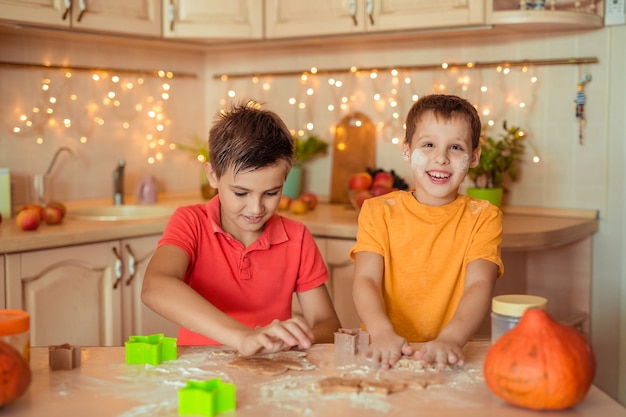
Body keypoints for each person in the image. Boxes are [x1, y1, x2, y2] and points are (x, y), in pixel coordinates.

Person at [142, 100, 340, 356]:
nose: (256, 208)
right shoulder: (191, 222)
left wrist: (294, 338)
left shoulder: (296, 237)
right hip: (201, 373)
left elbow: (328, 324)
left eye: (271, 192)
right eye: (241, 193)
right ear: (213, 175)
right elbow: (154, 287)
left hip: (271, 370)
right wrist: (243, 337)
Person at [351, 94, 504, 370]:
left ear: (474, 156)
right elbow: (366, 280)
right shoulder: (378, 211)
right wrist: (382, 332)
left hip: (448, 354)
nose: (441, 158)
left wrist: (452, 339)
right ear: (407, 149)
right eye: (429, 144)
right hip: (385, 353)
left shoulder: (484, 217)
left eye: (455, 147)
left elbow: (478, 286)